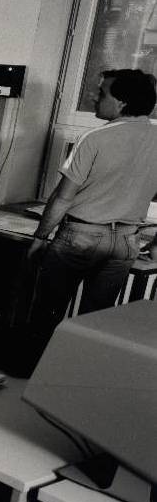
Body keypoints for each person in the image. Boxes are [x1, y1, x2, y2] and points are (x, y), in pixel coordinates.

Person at [27, 68, 157, 350]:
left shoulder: (95, 138)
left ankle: (28, 373)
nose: (94, 98)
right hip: (126, 241)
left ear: (122, 102)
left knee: (46, 315)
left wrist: (40, 237)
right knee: (94, 324)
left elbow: (63, 197)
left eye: (102, 93)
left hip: (80, 237)